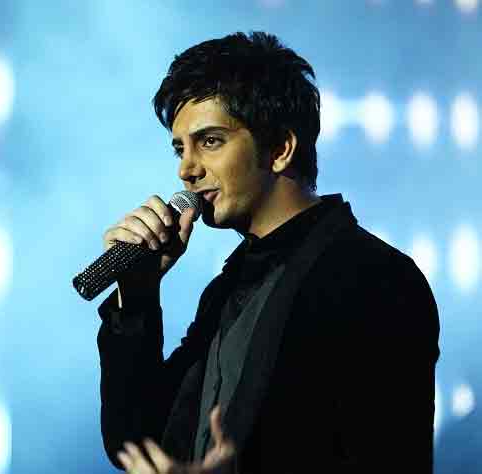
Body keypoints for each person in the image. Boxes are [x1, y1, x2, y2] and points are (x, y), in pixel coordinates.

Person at [96, 31, 440, 473]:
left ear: (280, 148)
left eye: (210, 141)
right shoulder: (228, 288)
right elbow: (136, 446)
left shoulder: (374, 277)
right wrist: (138, 299)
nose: (186, 169)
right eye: (180, 148)